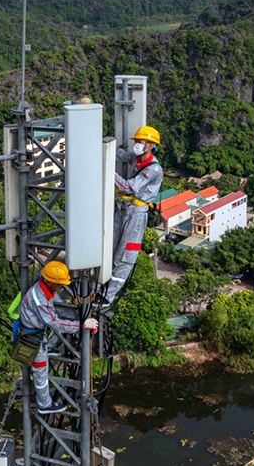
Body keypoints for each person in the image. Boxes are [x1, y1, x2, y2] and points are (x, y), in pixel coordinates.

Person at [16, 260, 98, 414]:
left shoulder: (44, 289)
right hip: (33, 340)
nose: (62, 286)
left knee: (54, 332)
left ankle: (50, 348)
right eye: (60, 283)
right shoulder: (40, 300)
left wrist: (79, 317)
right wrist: (82, 326)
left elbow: (59, 310)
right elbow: (56, 323)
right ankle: (44, 405)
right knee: (41, 373)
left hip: (36, 332)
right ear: (51, 282)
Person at [104, 125, 163, 302]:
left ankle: (108, 295)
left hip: (136, 215)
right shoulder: (137, 159)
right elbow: (120, 154)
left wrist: (107, 171)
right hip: (123, 210)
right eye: (136, 141)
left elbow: (128, 187)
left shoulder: (153, 169)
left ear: (151, 145)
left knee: (125, 256)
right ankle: (100, 287)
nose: (137, 144)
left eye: (141, 142)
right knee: (110, 249)